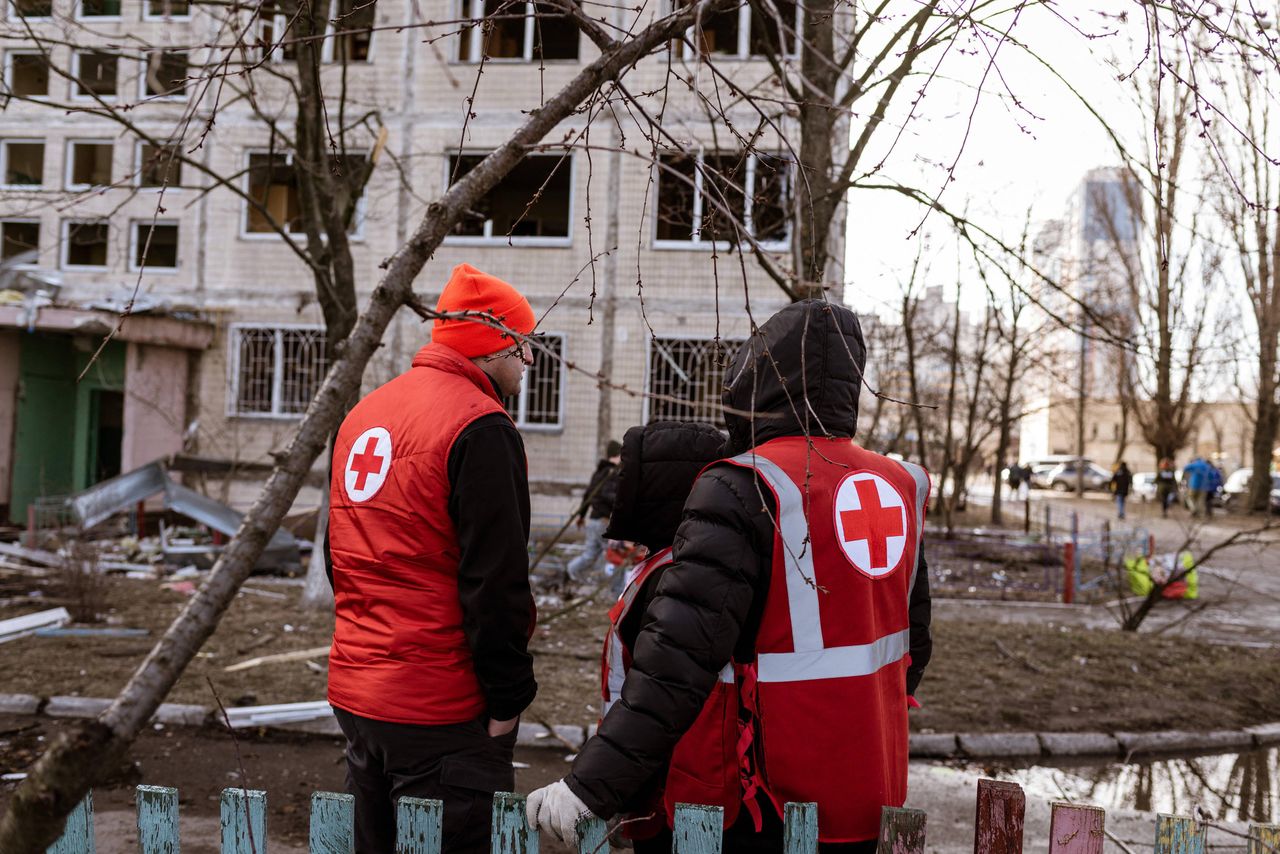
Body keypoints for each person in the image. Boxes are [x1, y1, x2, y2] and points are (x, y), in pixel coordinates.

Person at [527, 300, 934, 852]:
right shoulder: (901, 485)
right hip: (871, 793)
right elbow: (915, 648)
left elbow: (675, 665)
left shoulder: (744, 485)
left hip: (768, 802)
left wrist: (590, 789)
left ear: (757, 379)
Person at [327, 263, 538, 853]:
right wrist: (507, 704)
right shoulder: (480, 426)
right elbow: (495, 585)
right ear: (494, 344)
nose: (529, 359)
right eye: (523, 344)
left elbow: (340, 557)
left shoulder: (365, 414)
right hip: (440, 708)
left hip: (360, 694)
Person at [596, 420, 729, 851]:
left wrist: (619, 788)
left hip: (674, 786)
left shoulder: (678, 577)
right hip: (664, 777)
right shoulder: (671, 565)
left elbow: (656, 692)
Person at [566, 440, 622, 588]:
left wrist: (581, 516)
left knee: (589, 555)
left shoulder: (598, 472)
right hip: (604, 522)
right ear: (617, 455)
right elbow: (607, 494)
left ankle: (571, 571)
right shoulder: (612, 473)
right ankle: (616, 592)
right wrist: (621, 502)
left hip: (594, 520)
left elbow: (587, 495)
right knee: (614, 557)